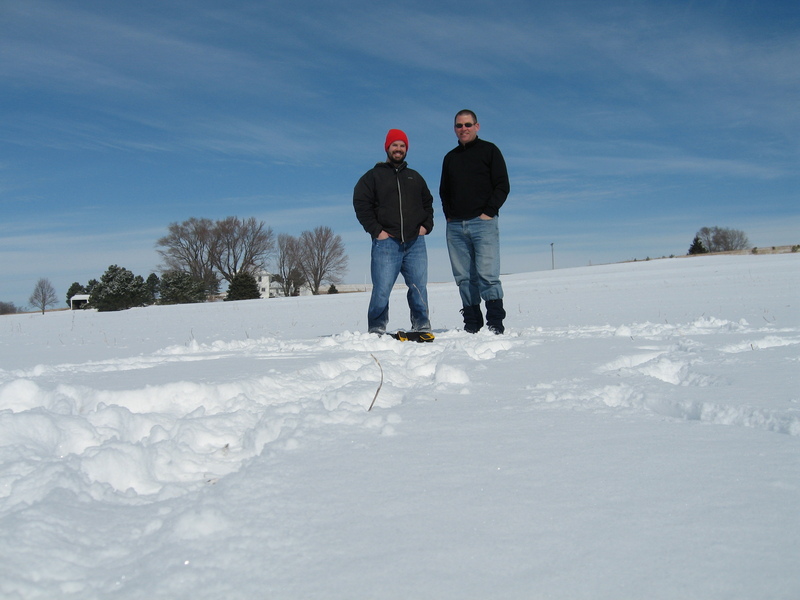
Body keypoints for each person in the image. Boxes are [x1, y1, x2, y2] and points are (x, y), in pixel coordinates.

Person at [353, 129, 434, 335]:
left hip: (415, 242)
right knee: (382, 289)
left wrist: (426, 226)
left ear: (406, 149)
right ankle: (377, 326)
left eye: (402, 145)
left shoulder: (415, 177)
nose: (398, 149)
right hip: (386, 242)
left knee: (418, 287)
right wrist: (376, 230)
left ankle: (421, 322)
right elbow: (361, 204)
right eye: (395, 145)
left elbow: (428, 202)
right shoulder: (372, 177)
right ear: (387, 147)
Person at [440, 109, 510, 334]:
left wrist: (488, 212)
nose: (464, 129)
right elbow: (444, 191)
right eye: (459, 125)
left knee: (488, 275)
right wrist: (449, 216)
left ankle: (495, 324)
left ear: (477, 126)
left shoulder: (489, 151)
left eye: (468, 124)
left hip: (483, 224)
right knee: (464, 278)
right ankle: (472, 324)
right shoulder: (450, 158)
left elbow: (502, 185)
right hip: (455, 227)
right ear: (454, 129)